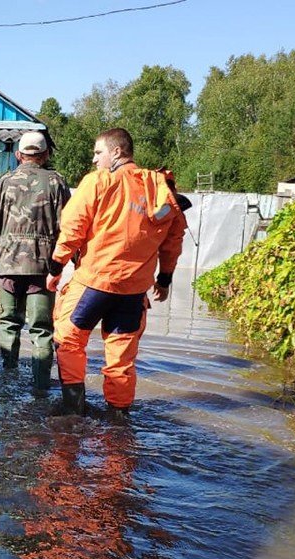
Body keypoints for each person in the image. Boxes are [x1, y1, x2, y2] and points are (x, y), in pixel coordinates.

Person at [46, 128, 187, 416]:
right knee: (121, 358)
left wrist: (56, 266)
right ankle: (118, 423)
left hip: (94, 282)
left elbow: (73, 226)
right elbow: (173, 240)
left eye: (99, 152)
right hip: (134, 292)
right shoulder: (161, 191)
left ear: (117, 152)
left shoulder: (99, 181)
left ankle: (73, 411)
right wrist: (165, 278)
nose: (94, 159)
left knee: (68, 340)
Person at [0, 131, 71, 394]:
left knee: (9, 322)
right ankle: (41, 391)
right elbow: (70, 227)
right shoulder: (57, 183)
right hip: (44, 267)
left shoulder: (5, 182)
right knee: (42, 330)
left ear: (18, 155)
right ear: (45, 155)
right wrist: (77, 260)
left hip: (8, 264)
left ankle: (6, 384)